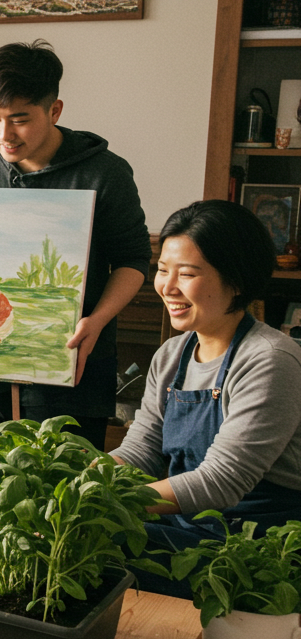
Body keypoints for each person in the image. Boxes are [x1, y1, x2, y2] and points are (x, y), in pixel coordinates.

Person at [0, 39, 151, 449]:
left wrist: (97, 321)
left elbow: (133, 261)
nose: (4, 134)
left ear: (54, 110)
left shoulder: (104, 174)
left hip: (71, 361)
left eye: (19, 119)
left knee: (59, 496)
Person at [111, 200, 301, 596]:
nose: (168, 286)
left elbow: (221, 481)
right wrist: (76, 478)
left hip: (256, 546)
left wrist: (104, 503)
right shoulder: (172, 355)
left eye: (187, 274)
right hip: (189, 526)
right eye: (163, 270)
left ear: (235, 280)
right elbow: (142, 451)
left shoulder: (270, 359)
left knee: (97, 548)